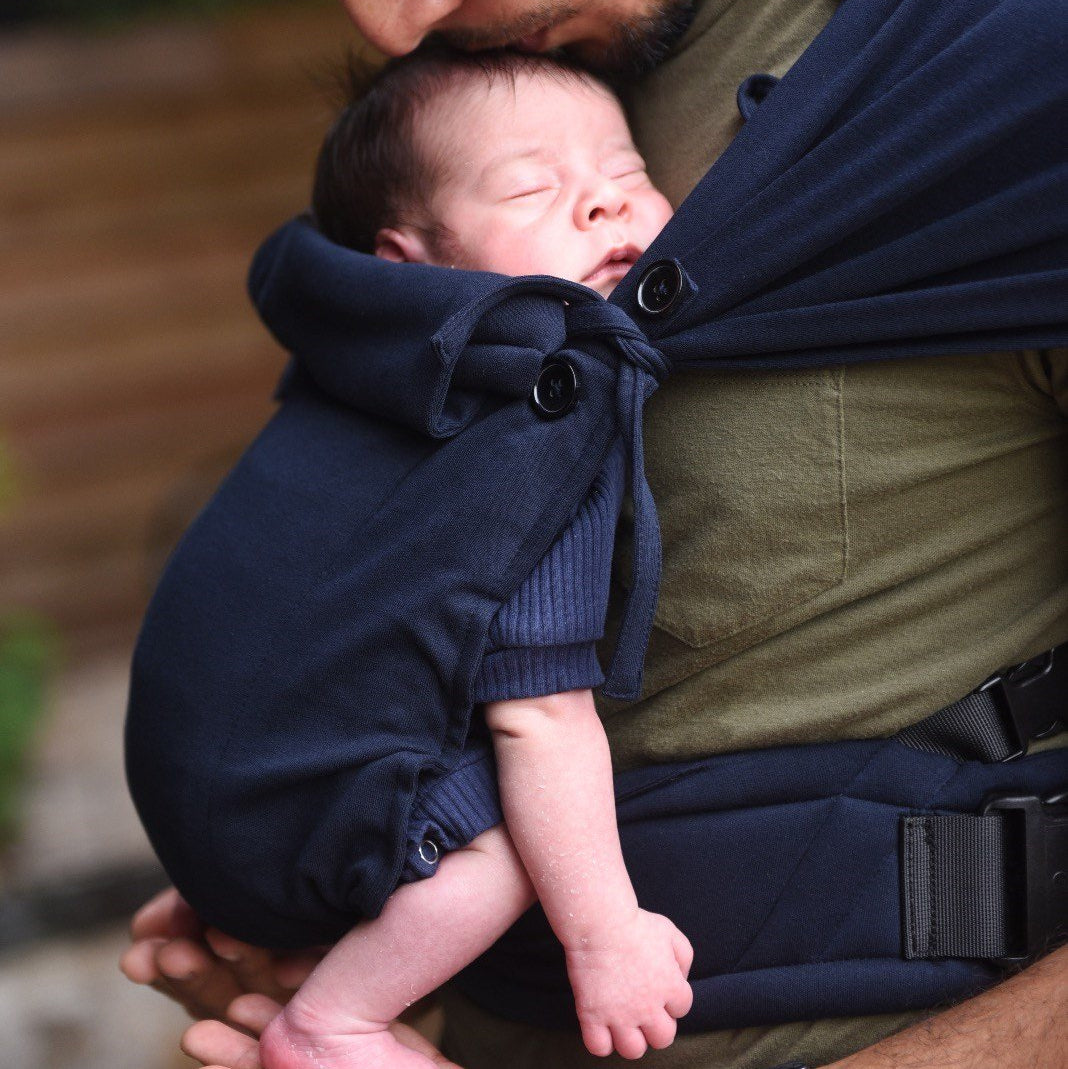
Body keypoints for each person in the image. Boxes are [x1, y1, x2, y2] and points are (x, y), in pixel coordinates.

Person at [123, 1, 1068, 1068]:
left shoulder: (998, 79)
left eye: (626, 175)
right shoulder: (476, 127)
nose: (395, 22)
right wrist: (316, 867)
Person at [124, 45, 693, 1069]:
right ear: (410, 259)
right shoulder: (545, 406)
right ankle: (333, 1021)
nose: (606, 202)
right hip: (282, 838)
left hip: (200, 805)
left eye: (627, 171)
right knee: (521, 834)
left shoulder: (352, 367)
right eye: (532, 187)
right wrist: (609, 935)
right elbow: (539, 717)